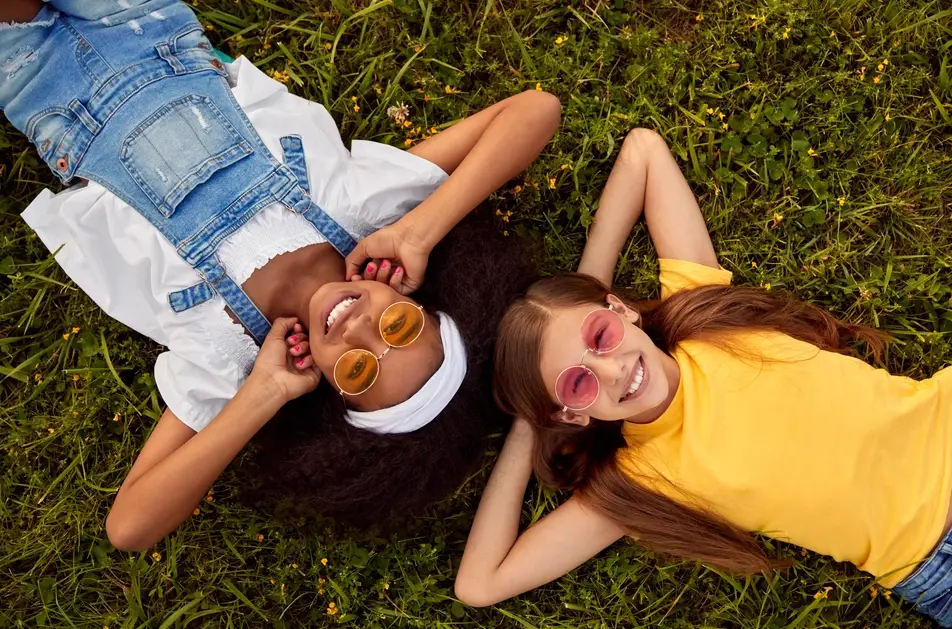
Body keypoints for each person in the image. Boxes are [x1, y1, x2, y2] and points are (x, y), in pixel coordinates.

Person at [1, 0, 559, 550]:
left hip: (50, 97)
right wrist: (418, 231)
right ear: (418, 302)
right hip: (145, 24)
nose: (358, 328)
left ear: (331, 392)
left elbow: (129, 526)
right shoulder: (363, 209)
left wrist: (263, 393)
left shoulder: (225, 353)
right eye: (398, 327)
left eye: (360, 370)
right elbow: (536, 111)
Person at [455, 128, 952, 626]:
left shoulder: (698, 316)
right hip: (934, 559)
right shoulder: (642, 477)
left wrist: (585, 289)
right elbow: (480, 583)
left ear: (621, 310)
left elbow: (643, 151)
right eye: (577, 383)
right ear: (572, 413)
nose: (612, 369)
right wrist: (533, 422)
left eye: (600, 336)